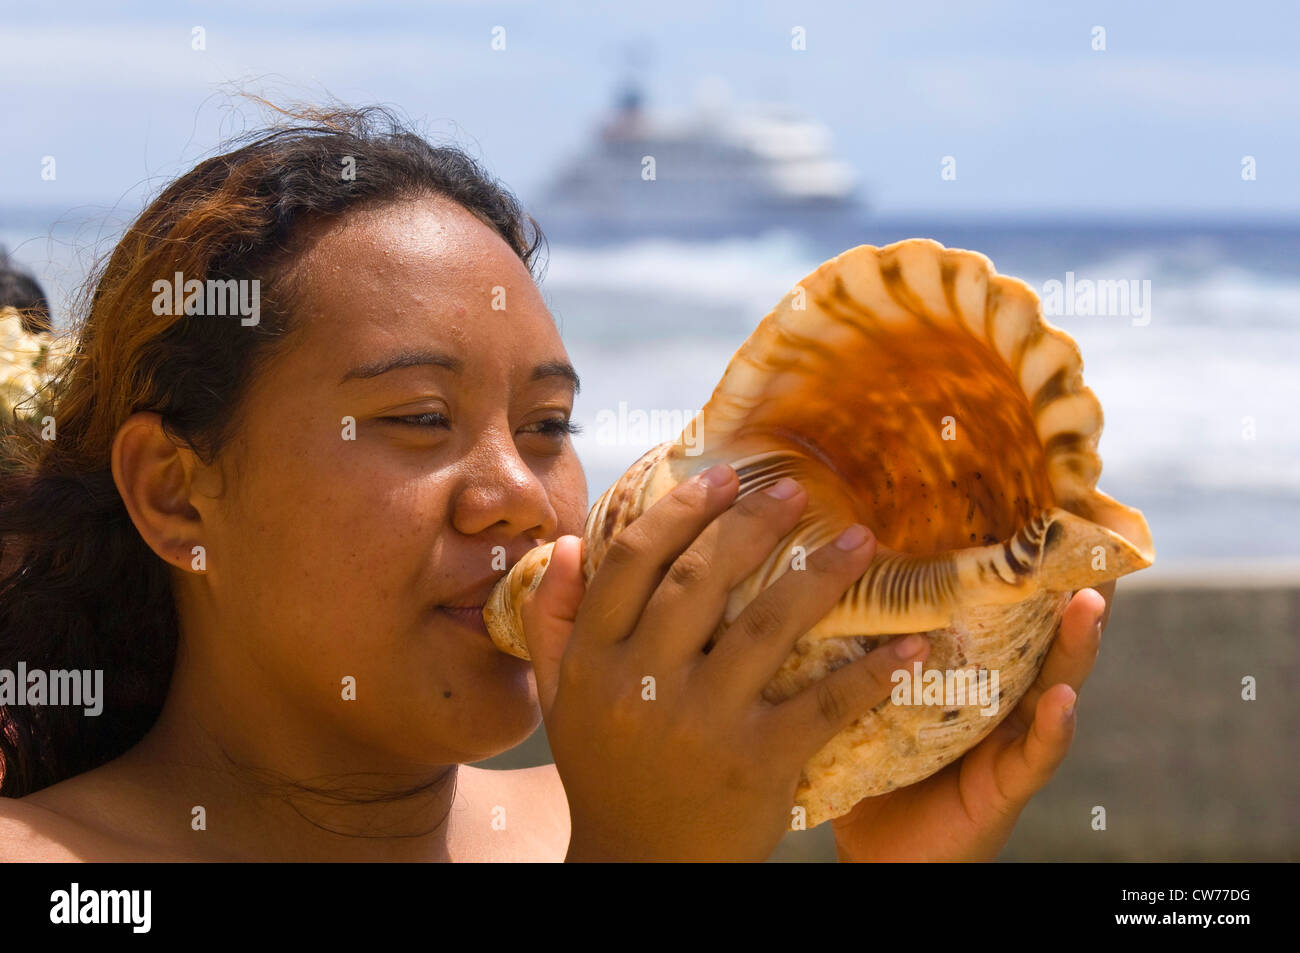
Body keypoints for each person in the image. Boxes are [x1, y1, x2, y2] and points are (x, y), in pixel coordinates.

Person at [0, 106, 1111, 861]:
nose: (516, 495)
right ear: (175, 494)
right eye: (420, 418)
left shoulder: (657, 806)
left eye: (546, 425)